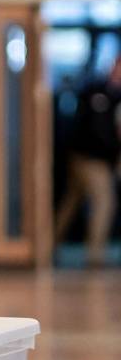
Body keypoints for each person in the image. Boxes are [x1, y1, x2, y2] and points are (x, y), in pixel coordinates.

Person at [55, 56, 121, 267]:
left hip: (97, 159)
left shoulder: (116, 96)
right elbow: (99, 130)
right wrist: (113, 149)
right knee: (104, 202)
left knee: (70, 204)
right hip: (89, 158)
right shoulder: (97, 91)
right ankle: (95, 257)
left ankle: (46, 248)